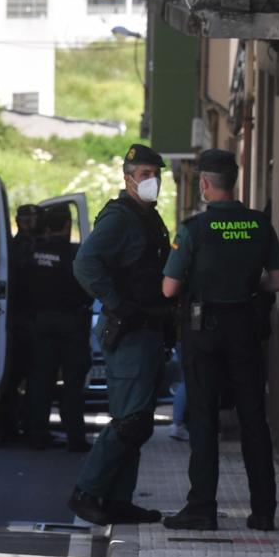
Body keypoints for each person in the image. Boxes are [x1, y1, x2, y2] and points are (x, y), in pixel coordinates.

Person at [159, 149, 279, 532]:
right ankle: (264, 511)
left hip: (204, 331)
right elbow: (278, 281)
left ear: (203, 183)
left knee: (202, 418)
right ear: (233, 181)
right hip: (245, 329)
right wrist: (248, 285)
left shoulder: (194, 229)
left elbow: (169, 288)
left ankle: (202, 508)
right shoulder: (259, 225)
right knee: (253, 419)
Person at [68, 143, 173, 526]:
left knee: (139, 421)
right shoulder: (121, 218)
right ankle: (88, 492)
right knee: (130, 421)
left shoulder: (147, 217)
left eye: (155, 174)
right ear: (127, 177)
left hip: (148, 329)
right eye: (144, 174)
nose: (151, 181)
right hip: (130, 330)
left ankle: (118, 500)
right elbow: (85, 263)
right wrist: (115, 302)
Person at [25, 204, 93, 452]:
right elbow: (88, 286)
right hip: (70, 323)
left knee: (41, 379)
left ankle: (37, 434)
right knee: (73, 383)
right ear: (67, 226)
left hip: (41, 321)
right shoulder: (75, 254)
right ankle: (75, 437)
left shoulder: (33, 251)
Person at [3, 204, 42, 442]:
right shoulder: (30, 248)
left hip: (20, 320)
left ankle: (15, 427)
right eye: (27, 219)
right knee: (29, 378)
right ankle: (25, 427)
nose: (29, 223)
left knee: (17, 378)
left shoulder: (11, 247)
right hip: (26, 320)